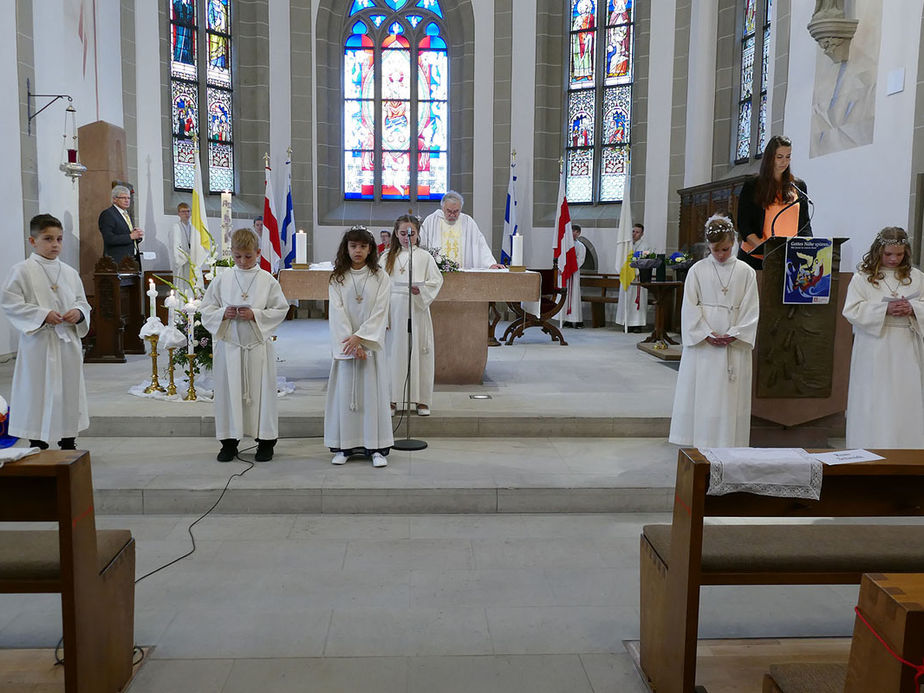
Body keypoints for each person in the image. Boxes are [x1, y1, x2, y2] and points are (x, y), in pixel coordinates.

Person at [1, 214, 91, 450]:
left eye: (59, 239)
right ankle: (37, 439)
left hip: (67, 342)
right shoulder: (21, 271)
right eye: (48, 239)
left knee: (68, 389)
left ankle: (68, 439)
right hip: (38, 343)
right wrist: (42, 315)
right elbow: (10, 303)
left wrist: (78, 313)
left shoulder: (69, 272)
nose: (55, 244)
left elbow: (83, 301)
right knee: (37, 390)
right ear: (32, 241)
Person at [669, 214, 759, 448]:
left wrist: (736, 333)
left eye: (726, 249)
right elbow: (689, 306)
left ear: (734, 243)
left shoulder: (746, 272)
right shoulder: (697, 270)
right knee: (704, 395)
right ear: (708, 247)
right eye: (716, 250)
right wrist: (705, 332)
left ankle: (729, 445)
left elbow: (751, 309)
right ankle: (700, 443)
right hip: (704, 346)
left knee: (729, 398)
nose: (721, 255)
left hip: (734, 346)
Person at [199, 228, 289, 462]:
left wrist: (256, 314)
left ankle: (266, 442)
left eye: (248, 256)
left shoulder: (267, 280)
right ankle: (229, 443)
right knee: (229, 395)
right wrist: (223, 313)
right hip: (230, 347)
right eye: (238, 256)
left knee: (262, 396)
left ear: (258, 252)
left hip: (257, 347)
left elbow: (281, 309)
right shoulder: (223, 278)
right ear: (232, 253)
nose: (243, 261)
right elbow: (206, 310)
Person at [842, 227, 924, 448]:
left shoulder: (916, 278)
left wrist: (913, 308)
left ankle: (908, 452)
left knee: (904, 400)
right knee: (875, 400)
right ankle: (868, 448)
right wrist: (884, 310)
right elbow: (851, 310)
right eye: (888, 254)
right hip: (874, 347)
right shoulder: (864, 278)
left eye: (899, 254)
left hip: (906, 345)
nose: (893, 259)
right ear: (878, 251)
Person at [325, 226, 393, 467]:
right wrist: (352, 343)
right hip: (347, 348)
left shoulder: (380, 277)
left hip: (369, 350)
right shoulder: (337, 278)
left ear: (370, 249)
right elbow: (337, 312)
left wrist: (362, 339)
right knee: (345, 397)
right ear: (346, 248)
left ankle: (375, 448)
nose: (358, 250)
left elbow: (381, 311)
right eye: (353, 246)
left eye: (363, 246)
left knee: (371, 396)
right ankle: (344, 448)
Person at [381, 214, 444, 416]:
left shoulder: (425, 257)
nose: (407, 237)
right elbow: (380, 286)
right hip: (394, 310)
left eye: (412, 233)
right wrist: (383, 315)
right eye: (403, 233)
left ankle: (421, 400)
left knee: (419, 353)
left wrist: (421, 292)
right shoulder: (386, 257)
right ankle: (392, 399)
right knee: (394, 355)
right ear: (396, 233)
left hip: (417, 309)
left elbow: (436, 281)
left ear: (417, 233)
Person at [736, 135, 812, 270]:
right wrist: (765, 250)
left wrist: (807, 248)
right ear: (770, 157)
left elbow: (805, 225)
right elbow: (744, 224)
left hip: (788, 258)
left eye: (788, 156)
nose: (784, 161)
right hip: (755, 259)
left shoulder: (798, 186)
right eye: (779, 157)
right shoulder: (753, 185)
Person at [419, 191, 502, 269]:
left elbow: (479, 244)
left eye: (456, 211)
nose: (452, 215)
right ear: (443, 208)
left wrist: (490, 264)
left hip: (463, 273)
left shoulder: (467, 221)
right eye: (449, 211)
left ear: (460, 208)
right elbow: (422, 244)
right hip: (438, 273)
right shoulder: (432, 220)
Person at [616, 222, 652, 331]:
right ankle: (626, 322)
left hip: (638, 276)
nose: (634, 234)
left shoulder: (645, 245)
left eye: (637, 232)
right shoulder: (627, 245)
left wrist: (635, 269)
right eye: (633, 231)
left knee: (637, 301)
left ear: (642, 234)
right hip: (627, 276)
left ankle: (637, 325)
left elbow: (645, 260)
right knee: (627, 300)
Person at [99, 185, 143, 266]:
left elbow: (125, 234)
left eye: (129, 198)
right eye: (123, 198)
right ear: (114, 199)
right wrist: (131, 236)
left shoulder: (125, 214)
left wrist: (137, 236)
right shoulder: (108, 214)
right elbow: (109, 238)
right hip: (117, 261)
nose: (127, 200)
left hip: (131, 260)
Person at [562, 224, 587, 328]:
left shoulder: (580, 246)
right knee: (566, 295)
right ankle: (567, 319)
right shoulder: (564, 245)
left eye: (576, 231)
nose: (574, 233)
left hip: (574, 273)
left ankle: (577, 320)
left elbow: (580, 260)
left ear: (579, 233)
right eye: (572, 231)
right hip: (565, 273)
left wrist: (571, 267)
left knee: (574, 296)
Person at [172, 202, 192, 288]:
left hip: (192, 263)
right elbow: (175, 247)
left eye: (188, 211)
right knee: (182, 286)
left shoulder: (193, 227)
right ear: (179, 213)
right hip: (182, 263)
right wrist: (186, 257)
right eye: (183, 212)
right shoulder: (176, 227)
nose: (186, 214)